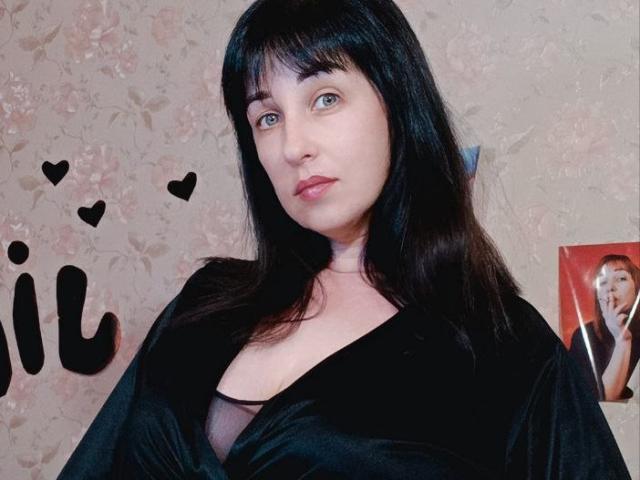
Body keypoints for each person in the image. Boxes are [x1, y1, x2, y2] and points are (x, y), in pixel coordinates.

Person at [58, 0, 632, 478]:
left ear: (397, 105)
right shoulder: (202, 306)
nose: (293, 146)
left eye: (324, 98)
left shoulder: (505, 347)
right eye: (267, 117)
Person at [568, 254, 640, 401]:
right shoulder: (584, 336)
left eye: (621, 278)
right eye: (603, 282)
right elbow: (601, 402)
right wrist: (622, 341)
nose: (610, 288)